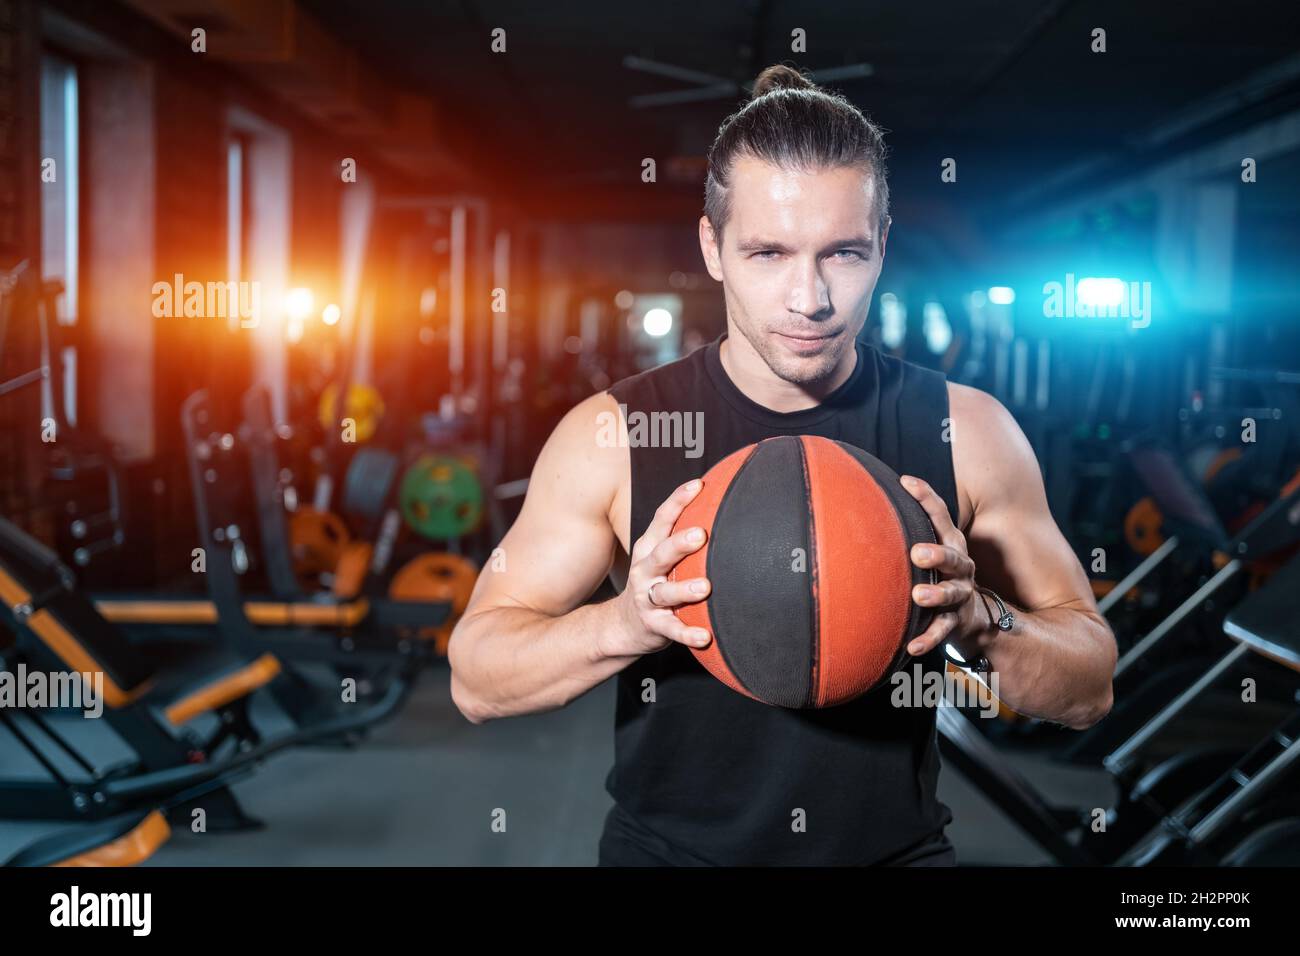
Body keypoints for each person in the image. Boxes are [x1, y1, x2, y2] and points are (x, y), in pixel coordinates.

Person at [447, 64, 1115, 866]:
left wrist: (982, 623)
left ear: (883, 247)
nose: (809, 299)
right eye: (768, 252)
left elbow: (1090, 687)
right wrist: (625, 623)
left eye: (843, 254)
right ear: (713, 248)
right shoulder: (618, 435)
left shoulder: (965, 431)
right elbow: (477, 677)